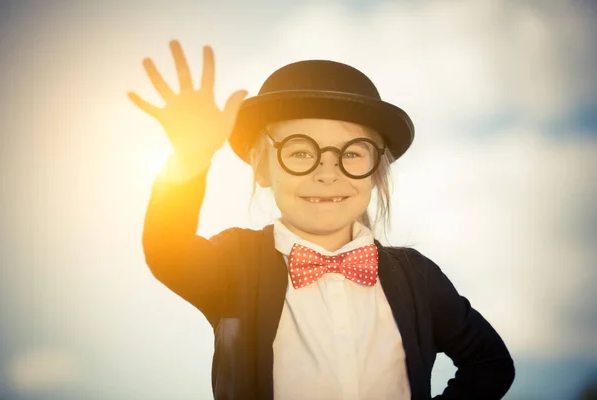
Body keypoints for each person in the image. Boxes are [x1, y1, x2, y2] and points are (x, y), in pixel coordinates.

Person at [129, 40, 515, 400]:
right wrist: (189, 161)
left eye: (351, 154)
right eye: (300, 153)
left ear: (376, 170)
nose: (328, 173)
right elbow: (168, 250)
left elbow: (490, 363)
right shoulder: (235, 264)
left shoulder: (418, 278)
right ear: (261, 169)